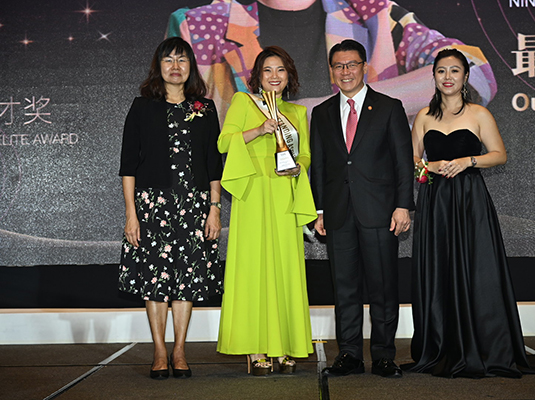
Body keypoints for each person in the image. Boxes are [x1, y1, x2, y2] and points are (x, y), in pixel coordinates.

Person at [167, 0, 497, 121]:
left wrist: (344, 105)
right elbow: (179, 127)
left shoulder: (374, 14)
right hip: (254, 197)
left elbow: (474, 71)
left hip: (355, 195)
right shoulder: (199, 27)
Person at [410, 48, 529, 378]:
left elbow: (499, 154)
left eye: (454, 71)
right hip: (436, 202)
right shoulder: (423, 116)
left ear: (465, 77)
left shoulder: (479, 114)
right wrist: (430, 167)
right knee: (439, 269)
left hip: (469, 200)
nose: (447, 77)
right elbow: (412, 162)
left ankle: (485, 346)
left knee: (477, 269)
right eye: (441, 71)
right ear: (434, 76)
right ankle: (441, 345)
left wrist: (467, 161)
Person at [118, 37, 224, 380]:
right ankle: (159, 351)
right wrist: (131, 214)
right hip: (153, 207)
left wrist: (214, 208)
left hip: (194, 206)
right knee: (155, 280)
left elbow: (213, 164)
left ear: (191, 67)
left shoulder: (205, 108)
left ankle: (179, 349)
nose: (175, 67)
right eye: (168, 60)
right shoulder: (142, 107)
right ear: (158, 66)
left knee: (186, 279)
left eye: (182, 60)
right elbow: (128, 166)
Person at [310, 39, 414, 378]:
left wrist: (403, 205)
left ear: (364, 67)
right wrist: (320, 210)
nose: (346, 71)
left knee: (383, 287)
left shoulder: (389, 107)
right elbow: (319, 166)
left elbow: (402, 162)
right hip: (338, 213)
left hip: (380, 212)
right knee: (344, 288)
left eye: (352, 64)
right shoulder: (322, 112)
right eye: (338, 66)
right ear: (331, 71)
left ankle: (383, 355)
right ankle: (350, 354)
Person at [216, 46, 317, 375]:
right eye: (267, 70)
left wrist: (299, 168)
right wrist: (259, 130)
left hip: (284, 194)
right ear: (257, 76)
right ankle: (257, 348)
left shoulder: (297, 112)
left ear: (289, 76)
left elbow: (306, 155)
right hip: (254, 194)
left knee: (285, 269)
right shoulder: (243, 102)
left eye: (281, 70)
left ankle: (285, 345)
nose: (274, 76)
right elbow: (223, 142)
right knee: (254, 269)